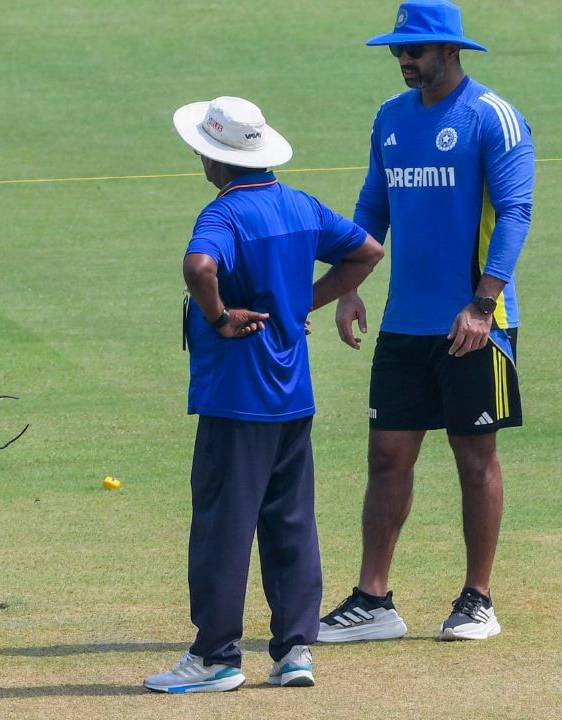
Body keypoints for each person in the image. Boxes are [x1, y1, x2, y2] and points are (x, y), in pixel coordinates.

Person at [143, 96, 384, 693]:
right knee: (291, 523)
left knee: (224, 526)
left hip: (235, 397)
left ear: (214, 156)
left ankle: (217, 656)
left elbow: (199, 267)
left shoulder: (222, 215)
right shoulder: (300, 204)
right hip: (292, 397)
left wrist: (220, 315)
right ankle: (295, 652)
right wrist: (305, 302)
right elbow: (368, 251)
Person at [318, 0, 534, 643]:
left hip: (474, 323)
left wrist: (482, 305)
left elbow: (516, 212)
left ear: (451, 49)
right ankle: (373, 601)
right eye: (398, 52)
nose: (405, 62)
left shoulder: (491, 117)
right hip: (404, 323)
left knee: (475, 457)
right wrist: (349, 285)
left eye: (414, 51)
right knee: (386, 457)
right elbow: (370, 208)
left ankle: (477, 598)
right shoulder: (389, 118)